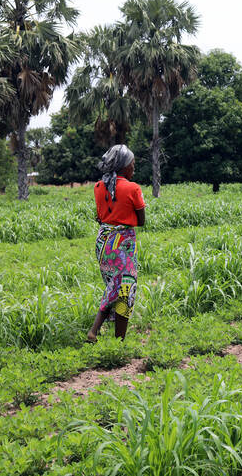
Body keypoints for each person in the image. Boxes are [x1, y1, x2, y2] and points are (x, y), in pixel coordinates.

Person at [87, 145, 146, 342]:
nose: (134, 167)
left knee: (115, 285)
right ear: (124, 166)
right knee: (124, 288)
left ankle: (114, 338)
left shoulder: (98, 187)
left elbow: (100, 217)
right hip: (123, 243)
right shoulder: (133, 188)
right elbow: (141, 220)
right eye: (132, 163)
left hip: (103, 242)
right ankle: (102, 334)